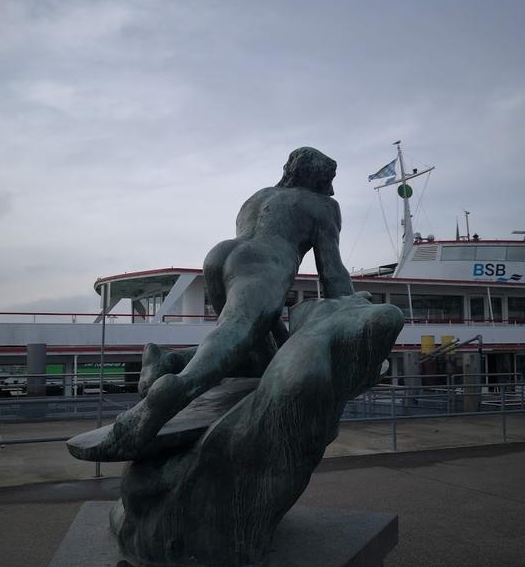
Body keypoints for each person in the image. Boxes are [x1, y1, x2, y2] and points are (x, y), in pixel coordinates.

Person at [68, 146, 355, 462]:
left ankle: (170, 361)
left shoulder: (258, 197)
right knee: (234, 333)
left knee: (249, 353)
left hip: (221, 257)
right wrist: (351, 312)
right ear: (322, 179)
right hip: (265, 264)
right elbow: (332, 270)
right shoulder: (322, 206)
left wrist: (279, 335)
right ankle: (172, 392)